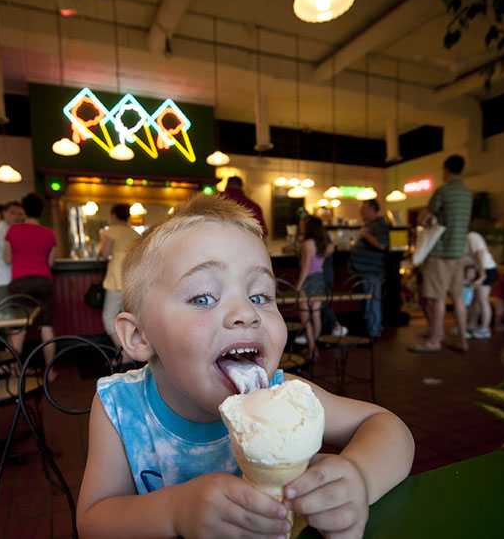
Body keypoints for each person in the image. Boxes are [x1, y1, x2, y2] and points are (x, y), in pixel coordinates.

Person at [77, 195, 414, 538]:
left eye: (259, 297)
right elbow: (92, 521)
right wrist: (175, 511)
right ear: (138, 336)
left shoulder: (284, 397)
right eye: (203, 298)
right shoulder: (120, 408)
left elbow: (389, 427)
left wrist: (358, 478)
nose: (246, 313)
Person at [412, 154, 474, 353]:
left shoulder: (443, 191)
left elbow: (423, 218)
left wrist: (427, 220)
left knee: (436, 298)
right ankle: (463, 339)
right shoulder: (467, 193)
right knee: (457, 298)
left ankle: (435, 340)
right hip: (459, 252)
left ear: (446, 170)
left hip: (440, 252)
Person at [4, 193, 58, 374]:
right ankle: (50, 371)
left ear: (23, 210)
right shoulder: (49, 233)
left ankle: (14, 371)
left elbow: (7, 258)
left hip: (20, 283)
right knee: (46, 326)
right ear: (41, 211)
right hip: (44, 281)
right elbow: (51, 263)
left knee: (19, 328)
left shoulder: (13, 231)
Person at [98, 203, 140, 347]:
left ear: (114, 215)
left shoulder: (110, 231)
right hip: (133, 278)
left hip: (116, 277)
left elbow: (104, 254)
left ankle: (124, 351)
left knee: (109, 317)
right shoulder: (135, 233)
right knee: (130, 317)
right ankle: (133, 349)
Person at [350, 199, 390, 339]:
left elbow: (382, 245)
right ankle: (371, 329)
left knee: (373, 301)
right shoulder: (371, 224)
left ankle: (374, 331)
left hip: (372, 271)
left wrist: (365, 235)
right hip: (366, 271)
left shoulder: (379, 225)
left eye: (364, 209)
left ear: (373, 210)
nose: (361, 211)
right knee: (370, 301)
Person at [295, 215, 330, 359]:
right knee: (316, 315)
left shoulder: (307, 243)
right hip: (320, 279)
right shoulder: (322, 242)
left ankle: (312, 349)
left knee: (305, 316)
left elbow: (305, 267)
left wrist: (298, 286)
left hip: (308, 280)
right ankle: (314, 347)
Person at [0, 201, 24, 305]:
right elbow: (10, 257)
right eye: (12, 213)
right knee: (8, 316)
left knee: (19, 316)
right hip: (5, 281)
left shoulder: (16, 231)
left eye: (20, 214)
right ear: (4, 213)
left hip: (13, 281)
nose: (16, 217)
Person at [465, 230, 498, 339]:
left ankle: (485, 329)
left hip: (486, 269)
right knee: (476, 300)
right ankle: (471, 325)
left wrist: (482, 274)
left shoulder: (471, 236)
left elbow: (479, 253)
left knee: (482, 300)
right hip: (481, 269)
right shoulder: (466, 238)